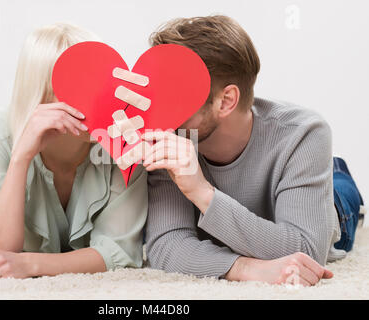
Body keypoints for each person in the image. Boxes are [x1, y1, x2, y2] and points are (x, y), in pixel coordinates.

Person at [143, 15, 340, 286]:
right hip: (273, 196)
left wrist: (201, 191)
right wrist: (245, 269)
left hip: (329, 199)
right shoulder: (168, 135)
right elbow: (166, 245)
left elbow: (307, 251)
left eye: (176, 94)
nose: (162, 109)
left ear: (226, 101)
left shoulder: (303, 133)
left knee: (340, 195)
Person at [0, 23, 147, 279]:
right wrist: (20, 158)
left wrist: (30, 264)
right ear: (42, 95)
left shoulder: (125, 137)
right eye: (78, 87)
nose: (97, 101)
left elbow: (119, 251)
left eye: (102, 85)